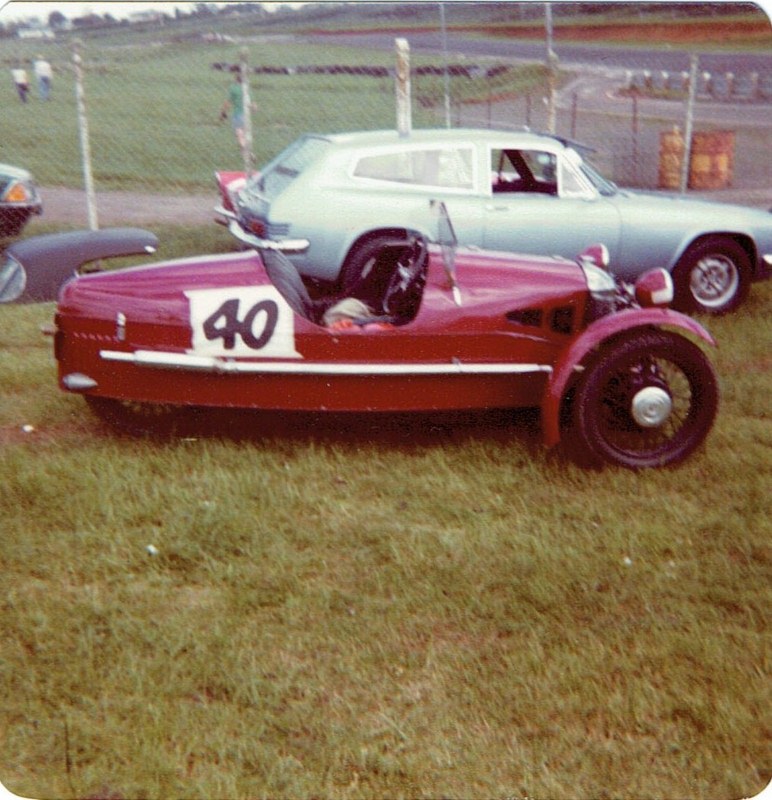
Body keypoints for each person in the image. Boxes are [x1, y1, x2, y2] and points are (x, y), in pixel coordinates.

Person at [219, 73, 247, 150]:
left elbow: (227, 103)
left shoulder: (233, 88)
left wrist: (223, 112)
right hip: (247, 115)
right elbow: (254, 106)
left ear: (236, 79)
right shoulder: (247, 89)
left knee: (239, 133)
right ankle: (247, 152)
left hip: (238, 114)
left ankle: (245, 149)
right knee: (245, 134)